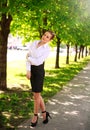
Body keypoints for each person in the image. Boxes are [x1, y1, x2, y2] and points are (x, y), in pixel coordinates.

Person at [26, 30, 55, 127]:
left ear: (50, 40)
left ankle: (35, 116)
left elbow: (38, 61)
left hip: (39, 72)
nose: (45, 37)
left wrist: (28, 58)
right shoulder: (34, 42)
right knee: (37, 94)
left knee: (36, 96)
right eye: (44, 35)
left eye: (47, 37)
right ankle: (44, 113)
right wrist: (28, 70)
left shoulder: (47, 49)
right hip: (32, 71)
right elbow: (29, 56)